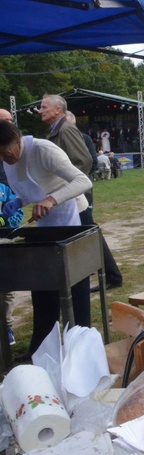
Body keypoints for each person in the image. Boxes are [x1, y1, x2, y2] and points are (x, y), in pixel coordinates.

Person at [0, 119, 93, 359]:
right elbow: (30, 189)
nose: (5, 159)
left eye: (5, 152)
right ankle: (43, 349)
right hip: (44, 223)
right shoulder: (9, 158)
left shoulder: (44, 150)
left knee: (75, 287)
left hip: (72, 218)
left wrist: (52, 200)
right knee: (42, 287)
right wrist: (19, 202)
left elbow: (83, 181)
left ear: (16, 138)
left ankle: (80, 347)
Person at [41, 102, 123, 291]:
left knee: (88, 234)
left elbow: (83, 161)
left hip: (74, 195)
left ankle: (107, 276)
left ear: (57, 110)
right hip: (71, 194)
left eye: (44, 107)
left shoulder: (66, 130)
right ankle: (105, 276)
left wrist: (70, 188)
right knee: (88, 234)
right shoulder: (57, 130)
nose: (40, 110)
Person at [0, 109, 24, 346]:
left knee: (5, 287)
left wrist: (7, 220)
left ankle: (6, 327)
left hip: (4, 239)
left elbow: (17, 209)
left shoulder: (6, 182)